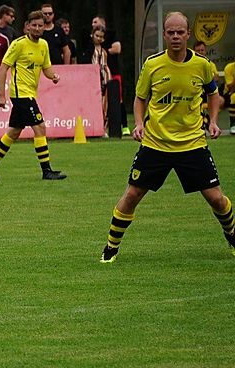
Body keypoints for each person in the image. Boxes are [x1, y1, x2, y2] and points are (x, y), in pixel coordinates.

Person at [100, 12, 234, 262]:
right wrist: (138, 124)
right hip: (155, 143)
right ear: (164, 35)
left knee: (216, 198)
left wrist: (214, 121)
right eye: (170, 32)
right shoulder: (152, 64)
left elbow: (213, 94)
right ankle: (110, 248)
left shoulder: (202, 65)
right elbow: (140, 98)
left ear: (188, 34)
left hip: (192, 143)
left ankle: (232, 235)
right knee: (132, 195)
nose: (175, 36)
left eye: (180, 32)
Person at [0, 11, 65, 182]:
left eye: (40, 26)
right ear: (28, 26)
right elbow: (3, 68)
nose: (37, 28)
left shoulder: (44, 45)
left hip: (29, 93)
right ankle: (46, 171)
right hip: (20, 94)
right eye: (34, 25)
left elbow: (46, 68)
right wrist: (1, 95)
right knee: (40, 127)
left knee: (13, 132)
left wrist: (53, 76)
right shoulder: (18, 44)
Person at [92, 15, 129, 136]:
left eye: (96, 22)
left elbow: (117, 48)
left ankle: (123, 125)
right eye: (93, 23)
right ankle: (99, 127)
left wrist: (105, 52)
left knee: (116, 99)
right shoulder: (90, 45)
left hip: (111, 73)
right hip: (95, 77)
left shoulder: (112, 35)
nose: (93, 24)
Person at [89, 25, 112, 133]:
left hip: (103, 79)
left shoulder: (104, 51)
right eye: (97, 36)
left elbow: (105, 66)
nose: (98, 38)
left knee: (104, 104)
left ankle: (103, 127)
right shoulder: (89, 49)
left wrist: (109, 78)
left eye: (101, 37)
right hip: (92, 78)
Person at [224, 60, 235, 134]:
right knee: (234, 97)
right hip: (229, 93)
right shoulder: (229, 67)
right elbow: (231, 88)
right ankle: (233, 124)